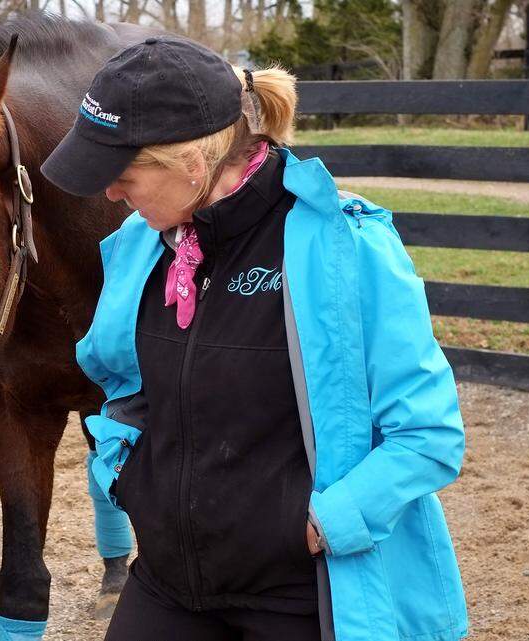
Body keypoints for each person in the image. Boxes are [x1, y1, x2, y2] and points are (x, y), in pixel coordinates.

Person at [40, 36, 469, 641]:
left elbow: (428, 435)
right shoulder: (139, 246)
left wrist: (324, 524)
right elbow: (120, 384)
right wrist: (127, 475)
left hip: (293, 590)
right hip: (167, 579)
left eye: (123, 174)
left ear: (192, 162)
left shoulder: (345, 248)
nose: (110, 193)